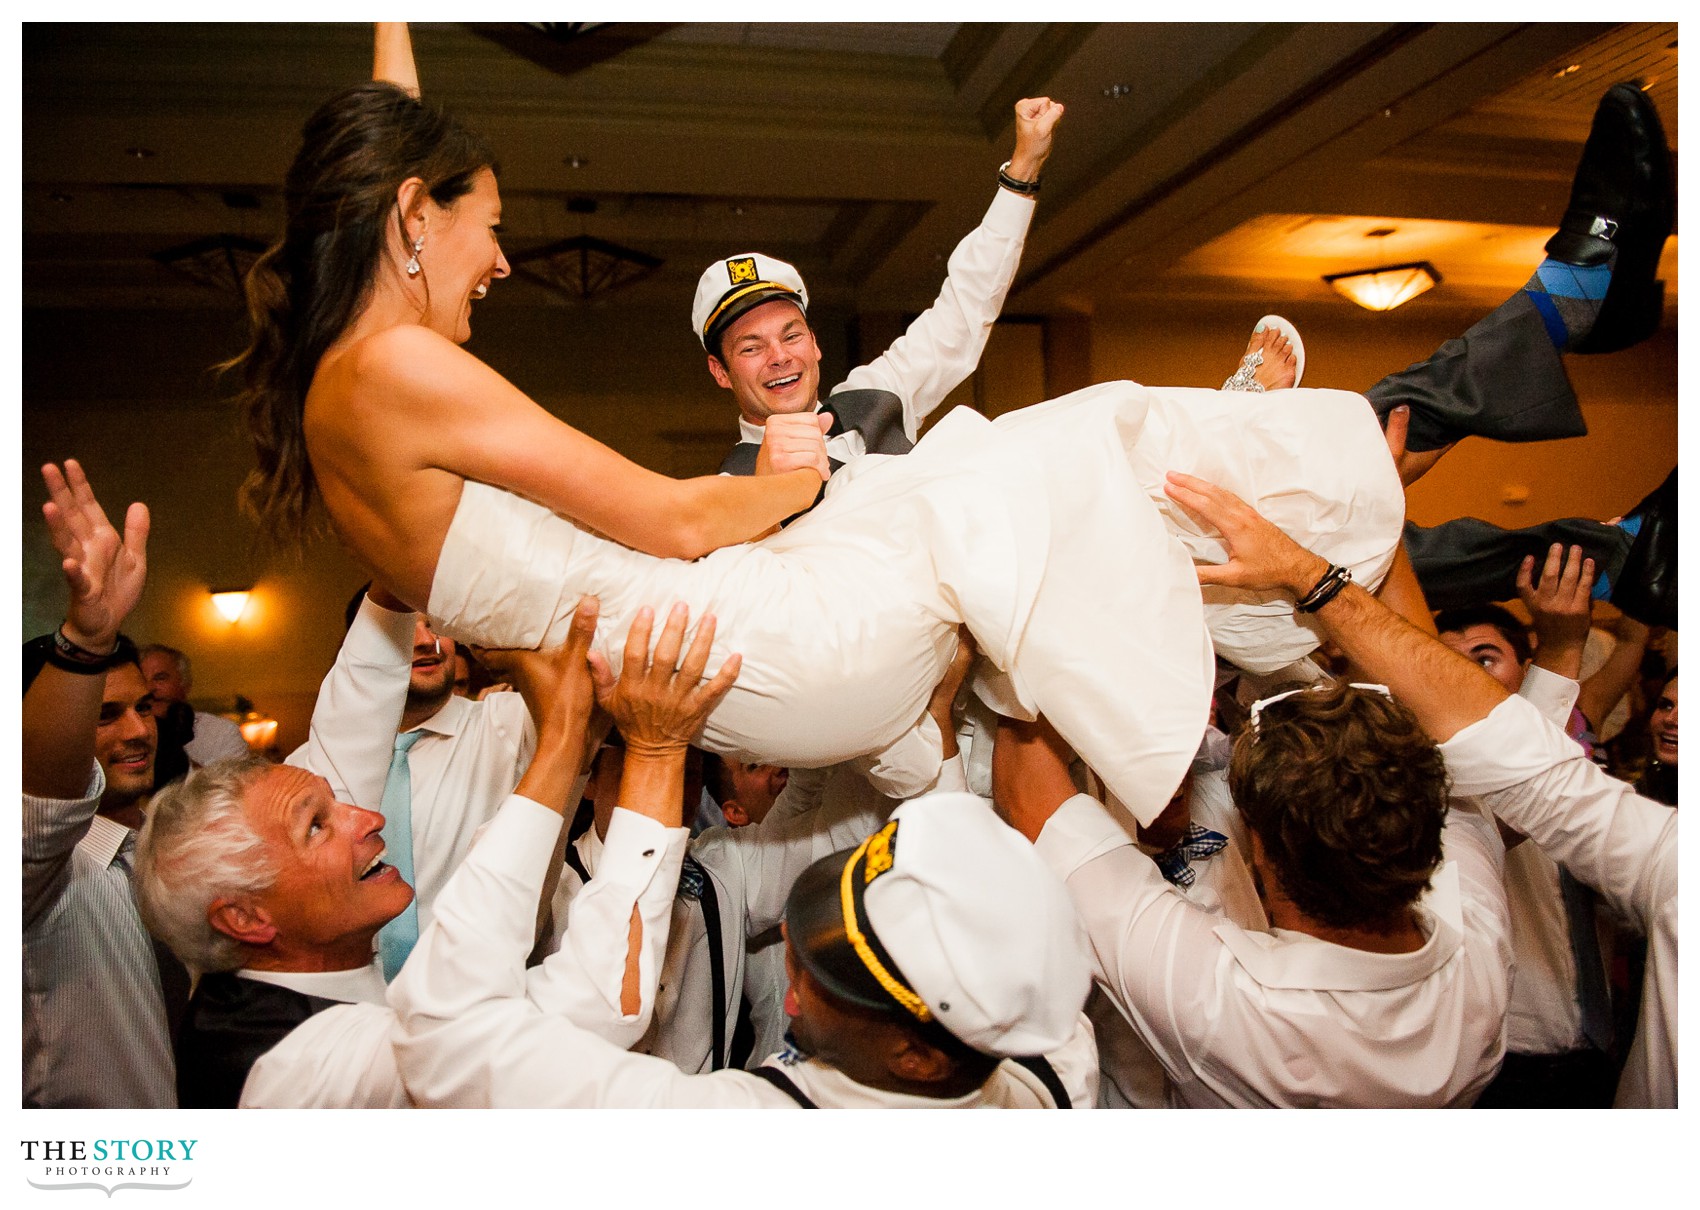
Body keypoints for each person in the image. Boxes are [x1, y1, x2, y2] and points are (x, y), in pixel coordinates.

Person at [1160, 470, 1675, 1107]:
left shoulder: (1213, 995)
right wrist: (1370, 518)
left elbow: (1502, 745)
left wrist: (1340, 545)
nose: (1461, 674)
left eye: (1484, 661)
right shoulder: (1477, 932)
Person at [132, 599, 717, 1107]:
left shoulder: (274, 990)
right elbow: (595, 1001)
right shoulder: (299, 1070)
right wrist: (653, 748)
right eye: (317, 826)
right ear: (245, 918)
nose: (369, 818)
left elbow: (356, 704)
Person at [696, 96, 1062, 475]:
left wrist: (1023, 168)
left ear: (814, 343)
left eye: (791, 337)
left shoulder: (874, 396)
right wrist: (764, 494)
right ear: (720, 371)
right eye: (752, 347)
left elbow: (965, 308)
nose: (779, 356)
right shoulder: (732, 487)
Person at [283, 588, 538, 980]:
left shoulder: (506, 725)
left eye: (437, 624)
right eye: (403, 630)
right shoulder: (307, 770)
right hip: (356, 1001)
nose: (426, 641)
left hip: (482, 995)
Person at [23, 460, 175, 1108]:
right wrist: (84, 641)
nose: (138, 731)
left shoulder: (156, 848)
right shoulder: (38, 874)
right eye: (103, 715)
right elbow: (39, 804)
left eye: (144, 706)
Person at [138, 643, 251, 766]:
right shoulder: (125, 735)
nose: (149, 688)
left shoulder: (222, 734)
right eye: (141, 680)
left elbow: (230, 784)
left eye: (160, 678)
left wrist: (177, 754)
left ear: (185, 684)